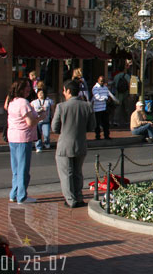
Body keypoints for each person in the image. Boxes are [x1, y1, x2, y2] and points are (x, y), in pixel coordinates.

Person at [52, 79, 96, 208]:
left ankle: (70, 200)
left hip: (64, 145)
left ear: (68, 91)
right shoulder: (87, 106)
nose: (63, 93)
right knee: (77, 172)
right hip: (81, 143)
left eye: (64, 90)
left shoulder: (61, 107)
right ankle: (79, 196)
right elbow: (92, 126)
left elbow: (54, 128)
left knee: (66, 174)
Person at [7, 79, 46, 204]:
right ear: (21, 89)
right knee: (23, 169)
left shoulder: (12, 102)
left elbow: (23, 116)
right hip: (23, 138)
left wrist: (36, 113)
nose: (29, 89)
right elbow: (30, 122)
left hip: (12, 137)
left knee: (16, 169)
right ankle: (22, 196)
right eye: (27, 87)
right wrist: (41, 117)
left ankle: (14, 194)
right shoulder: (24, 102)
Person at [92, 76, 116, 140]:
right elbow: (97, 97)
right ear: (98, 80)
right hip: (97, 108)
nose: (102, 82)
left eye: (103, 81)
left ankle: (106, 135)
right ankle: (97, 136)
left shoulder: (105, 88)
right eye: (101, 81)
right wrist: (105, 98)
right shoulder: (95, 88)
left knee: (106, 123)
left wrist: (111, 99)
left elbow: (109, 94)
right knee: (97, 123)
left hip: (104, 108)